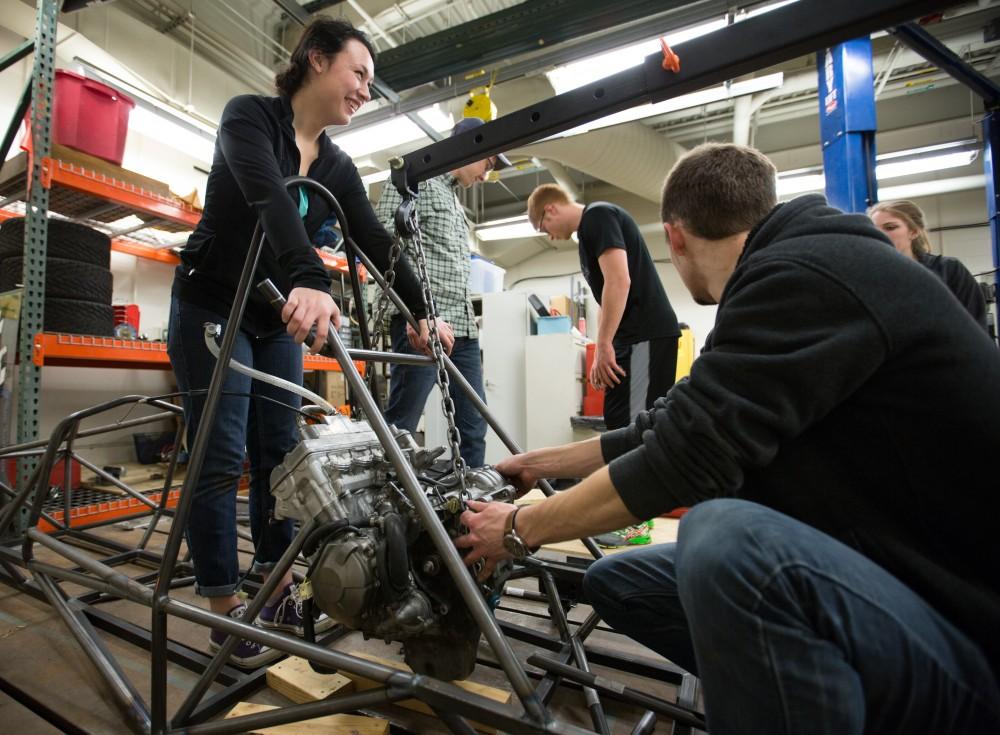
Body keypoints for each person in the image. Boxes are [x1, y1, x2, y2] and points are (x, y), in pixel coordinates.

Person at [457, 144, 1000, 733]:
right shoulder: (790, 268)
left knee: (726, 542)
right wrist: (542, 462)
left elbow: (683, 459)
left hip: (968, 638)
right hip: (891, 577)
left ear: (676, 237)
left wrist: (517, 529)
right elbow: (667, 423)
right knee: (620, 581)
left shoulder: (806, 274)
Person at [167, 17, 442, 668]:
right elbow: (271, 200)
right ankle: (223, 608)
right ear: (316, 61)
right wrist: (311, 278)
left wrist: (423, 311)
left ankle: (275, 585)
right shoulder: (249, 120)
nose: (365, 92)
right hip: (213, 306)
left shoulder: (339, 165)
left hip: (271, 318)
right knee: (221, 450)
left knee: (282, 458)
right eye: (359, 74)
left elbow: (374, 242)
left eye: (371, 83)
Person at [526, 183, 680, 546]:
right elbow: (607, 292)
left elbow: (619, 280)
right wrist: (603, 343)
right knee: (616, 424)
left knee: (637, 428)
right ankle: (619, 514)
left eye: (543, 229)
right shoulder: (589, 234)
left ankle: (637, 523)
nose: (550, 236)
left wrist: (605, 343)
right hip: (631, 338)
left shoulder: (598, 216)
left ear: (549, 210)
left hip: (645, 335)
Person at [373, 117, 511, 467]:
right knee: (402, 424)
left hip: (462, 329)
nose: (486, 174)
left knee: (473, 426)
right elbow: (388, 248)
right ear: (470, 147)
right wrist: (410, 312)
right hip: (422, 324)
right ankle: (385, 505)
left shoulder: (454, 200)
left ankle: (473, 510)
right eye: (488, 163)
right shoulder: (413, 179)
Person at [869, 199, 989, 332]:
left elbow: (975, 324)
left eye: (890, 227)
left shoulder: (948, 269)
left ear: (914, 232)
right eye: (874, 229)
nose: (879, 234)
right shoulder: (870, 277)